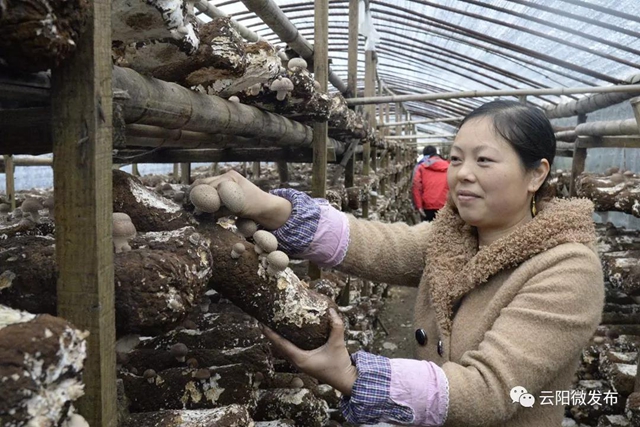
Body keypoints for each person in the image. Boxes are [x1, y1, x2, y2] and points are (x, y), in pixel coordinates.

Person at [201, 100, 604, 427]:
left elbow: (488, 391)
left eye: (484, 160)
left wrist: (352, 376)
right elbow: (380, 246)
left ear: (536, 175)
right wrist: (273, 209)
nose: (463, 174)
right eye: (456, 159)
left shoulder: (567, 269)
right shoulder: (456, 236)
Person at [412, 146, 450, 221]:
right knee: (445, 227)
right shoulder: (449, 167)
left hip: (428, 206)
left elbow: (416, 186)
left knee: (429, 227)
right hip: (446, 205)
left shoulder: (422, 167)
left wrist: (419, 206)